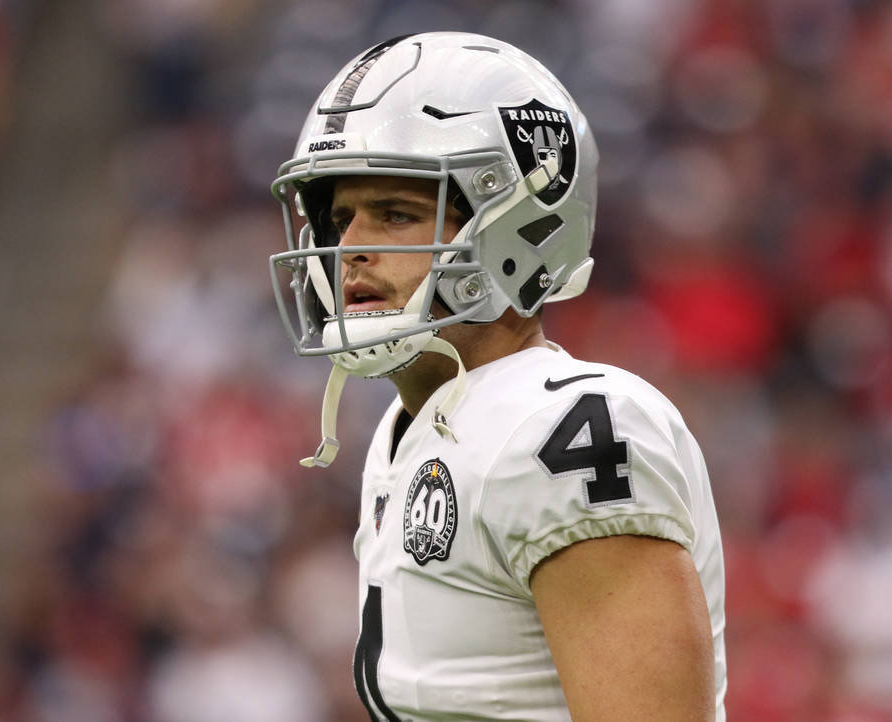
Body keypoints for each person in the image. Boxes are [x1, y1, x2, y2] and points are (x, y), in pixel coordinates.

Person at [268, 32, 726, 721]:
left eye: (395, 213)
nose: (348, 248)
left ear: (519, 225)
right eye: (338, 217)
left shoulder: (565, 429)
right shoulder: (414, 427)